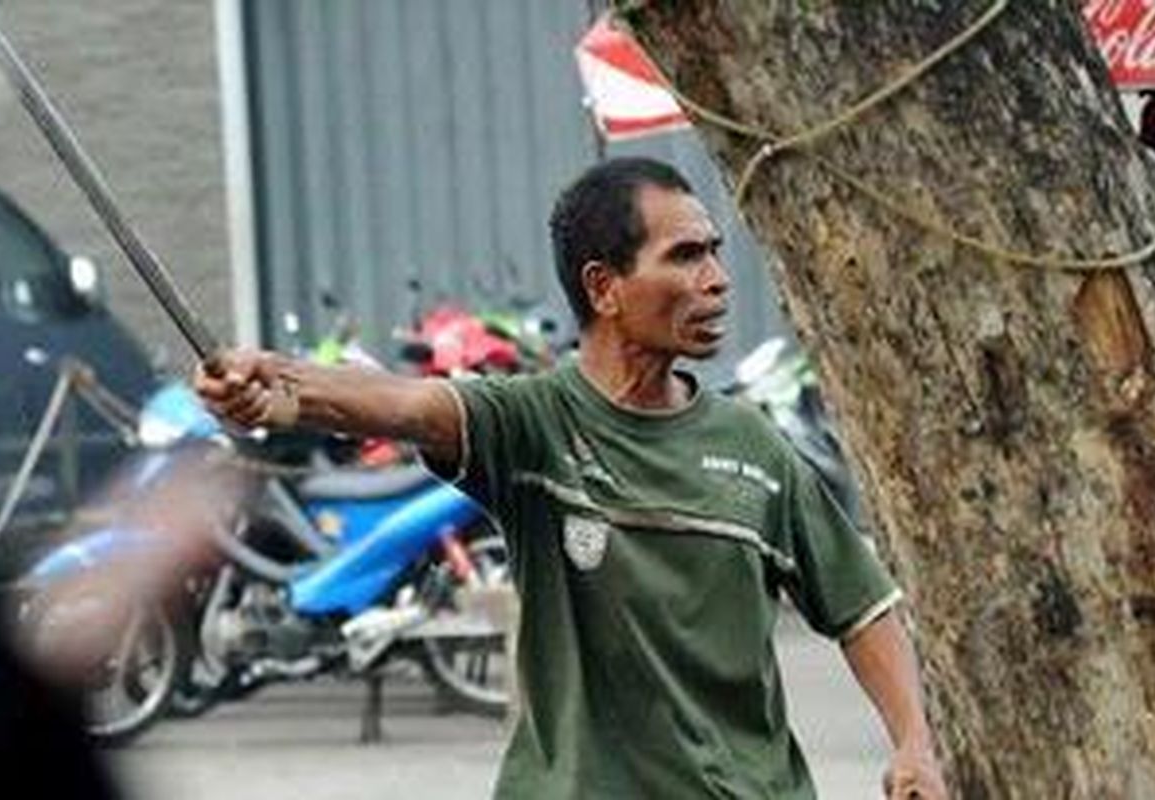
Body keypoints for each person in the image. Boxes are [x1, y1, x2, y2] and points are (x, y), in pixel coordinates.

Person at [196, 157, 947, 799]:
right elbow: (406, 404)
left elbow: (860, 607)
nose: (717, 280)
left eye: (715, 253)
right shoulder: (532, 426)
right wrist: (283, 388)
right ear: (604, 286)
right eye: (685, 256)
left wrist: (914, 739)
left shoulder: (755, 447)